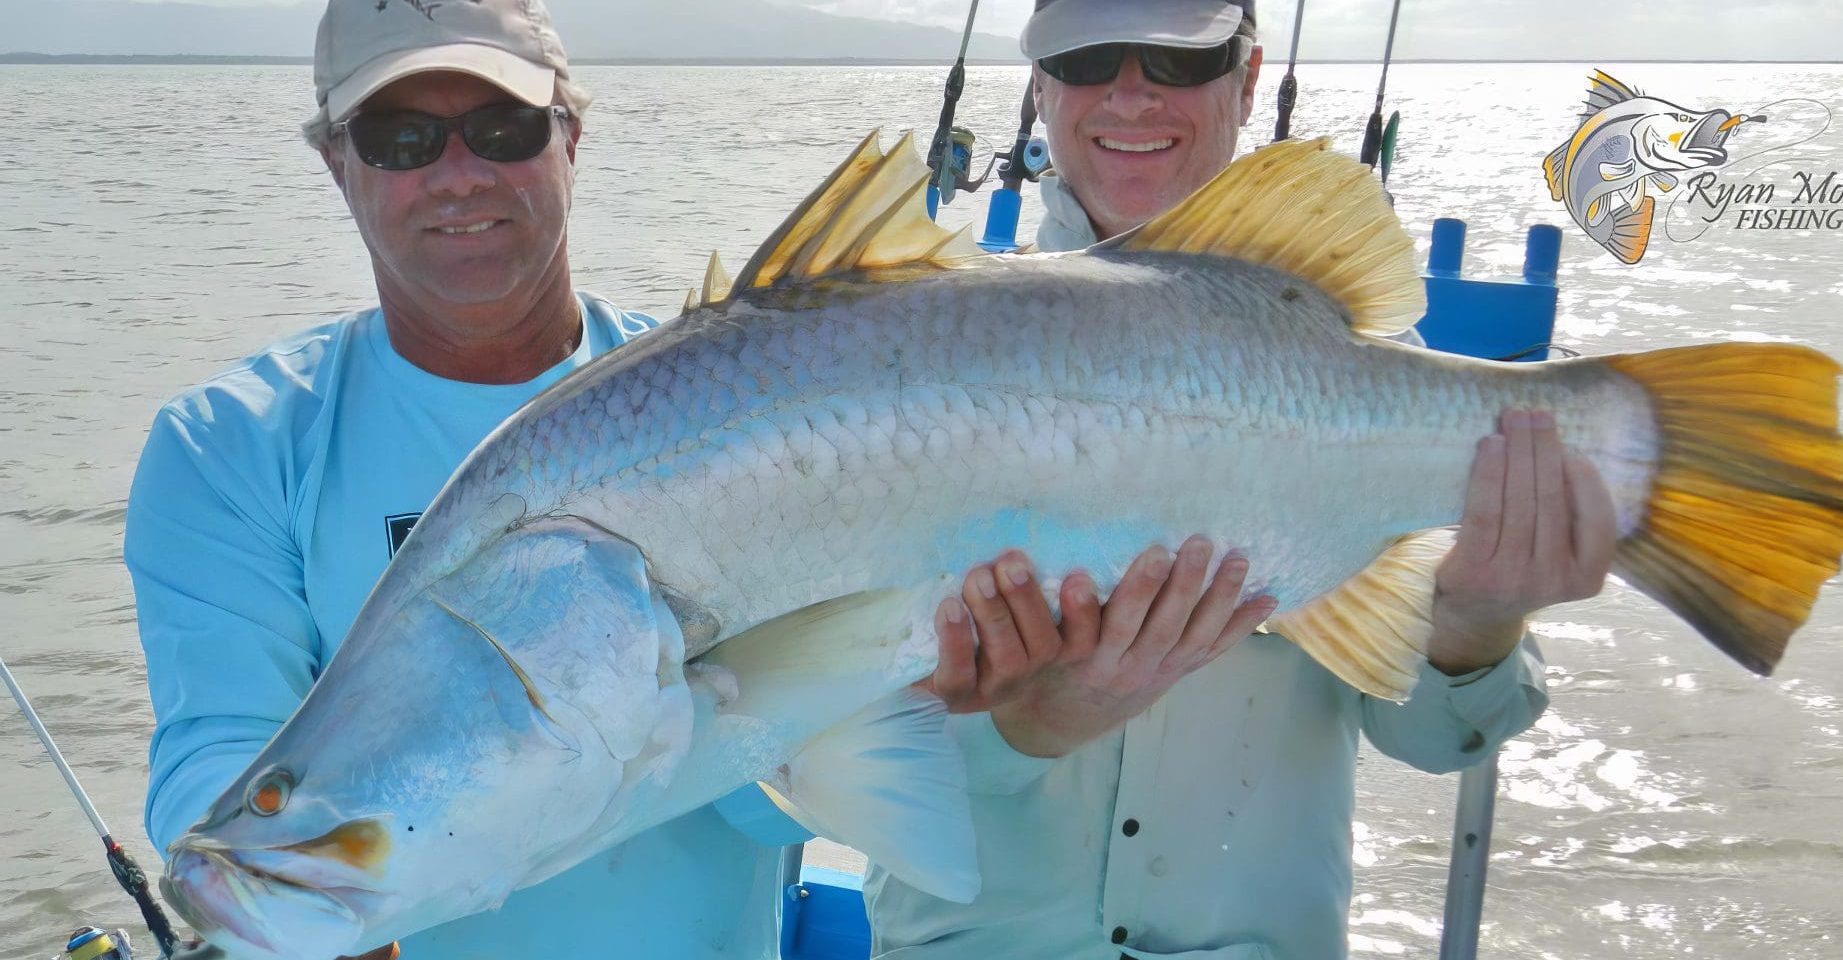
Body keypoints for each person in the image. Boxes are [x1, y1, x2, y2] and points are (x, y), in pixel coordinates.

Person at [124, 1, 1264, 956]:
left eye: (503, 125)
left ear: (571, 137)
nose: (458, 173)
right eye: (400, 138)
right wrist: (299, 897)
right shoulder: (233, 443)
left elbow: (807, 761)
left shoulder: (744, 390)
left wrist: (952, 696)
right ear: (337, 162)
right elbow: (216, 755)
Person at [863, 2, 1618, 958]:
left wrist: (1476, 624)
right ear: (1041, 85)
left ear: (1249, 77)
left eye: (1180, 58)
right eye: (1090, 54)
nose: (1131, 90)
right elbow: (828, 750)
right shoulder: (894, 354)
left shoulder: (1367, 369)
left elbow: (1439, 744)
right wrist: (1024, 723)